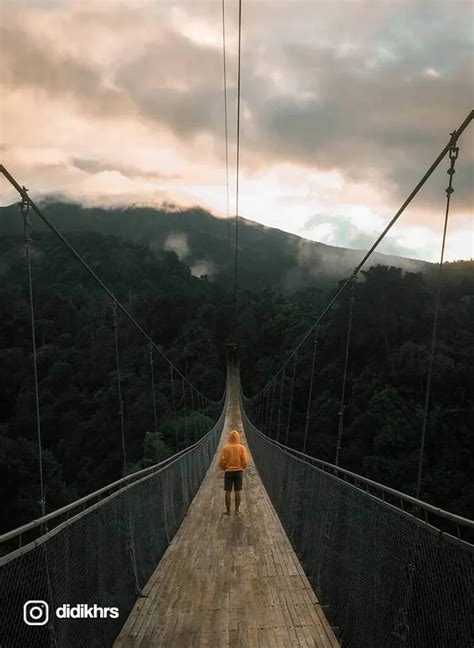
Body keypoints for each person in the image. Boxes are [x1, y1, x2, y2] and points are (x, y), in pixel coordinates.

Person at [218, 430, 248, 515]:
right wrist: (242, 467)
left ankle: (228, 511)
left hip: (228, 472)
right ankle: (237, 510)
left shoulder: (225, 448)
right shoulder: (242, 448)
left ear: (229, 437)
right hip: (239, 472)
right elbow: (245, 461)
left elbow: (221, 461)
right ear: (238, 437)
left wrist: (224, 468)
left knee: (228, 491)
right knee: (238, 491)